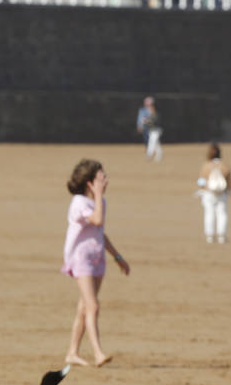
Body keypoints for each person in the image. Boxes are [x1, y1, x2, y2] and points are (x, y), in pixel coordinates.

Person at [62, 159, 130, 367]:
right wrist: (98, 195)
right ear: (90, 183)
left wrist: (118, 257)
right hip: (80, 258)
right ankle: (98, 352)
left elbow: (100, 233)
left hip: (97, 258)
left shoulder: (101, 203)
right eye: (102, 178)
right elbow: (97, 220)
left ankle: (72, 352)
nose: (106, 181)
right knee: (93, 305)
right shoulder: (79, 203)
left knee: (84, 307)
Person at [197, 142, 231, 244]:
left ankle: (210, 236)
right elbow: (230, 182)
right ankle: (222, 236)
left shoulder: (206, 166)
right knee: (222, 214)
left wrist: (202, 190)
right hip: (222, 193)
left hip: (208, 193)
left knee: (209, 214)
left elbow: (201, 181)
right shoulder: (224, 166)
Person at [136, 96, 162, 161]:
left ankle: (149, 155)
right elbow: (146, 120)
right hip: (151, 130)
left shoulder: (155, 114)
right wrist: (144, 123)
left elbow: (154, 121)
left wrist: (147, 121)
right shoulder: (145, 111)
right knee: (156, 144)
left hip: (156, 130)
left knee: (151, 142)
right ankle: (159, 155)